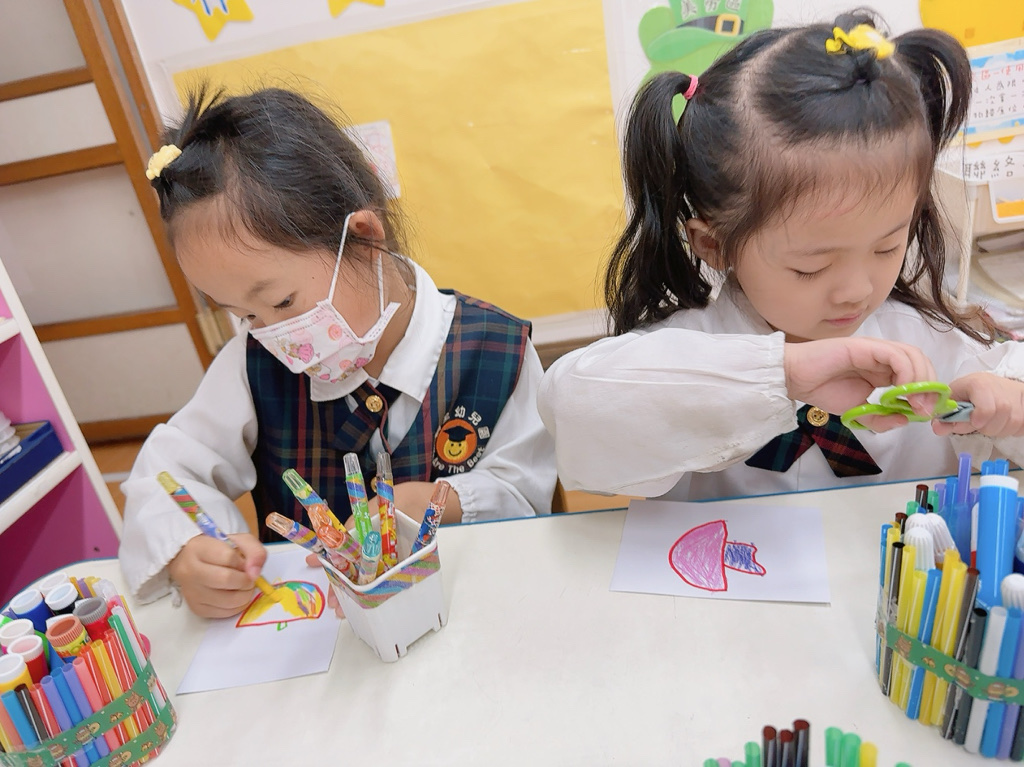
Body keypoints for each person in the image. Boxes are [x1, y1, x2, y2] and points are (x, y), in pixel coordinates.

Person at [538, 14, 1024, 502]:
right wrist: (783, 373)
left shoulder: (935, 344)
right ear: (713, 244)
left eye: (888, 247)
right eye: (810, 267)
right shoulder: (682, 352)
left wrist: (1008, 405)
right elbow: (572, 410)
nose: (857, 289)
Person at [119, 86, 556, 617]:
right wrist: (189, 550)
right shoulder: (251, 365)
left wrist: (438, 502)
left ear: (365, 239)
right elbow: (167, 474)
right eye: (245, 315)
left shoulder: (497, 349)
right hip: (318, 635)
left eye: (282, 302)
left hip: (477, 613)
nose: (275, 335)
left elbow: (528, 492)